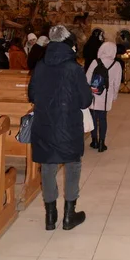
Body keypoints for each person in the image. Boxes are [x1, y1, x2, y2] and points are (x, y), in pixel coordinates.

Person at [28, 25, 92, 231]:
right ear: (69, 44)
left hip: (44, 123)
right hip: (68, 125)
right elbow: (84, 101)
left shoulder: (40, 65)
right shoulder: (74, 68)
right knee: (73, 165)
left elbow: (32, 95)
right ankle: (69, 215)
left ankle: (50, 216)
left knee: (47, 166)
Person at [86, 41, 122, 152]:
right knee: (102, 119)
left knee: (93, 118)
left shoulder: (95, 62)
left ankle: (94, 141)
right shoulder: (116, 65)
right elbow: (117, 83)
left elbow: (87, 79)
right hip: (106, 95)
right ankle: (102, 143)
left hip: (94, 94)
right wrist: (114, 96)